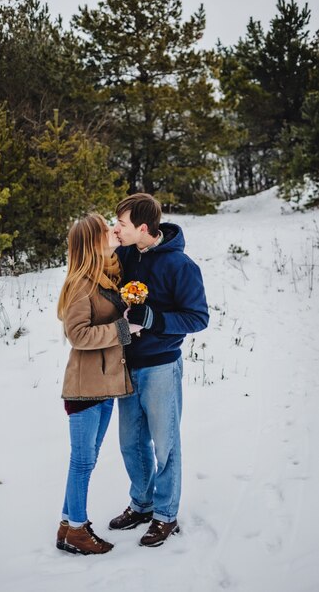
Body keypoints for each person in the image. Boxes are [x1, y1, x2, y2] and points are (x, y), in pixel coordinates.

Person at [109, 193, 209, 547]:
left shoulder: (180, 266)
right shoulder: (122, 256)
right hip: (126, 365)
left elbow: (199, 317)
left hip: (161, 367)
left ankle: (165, 515)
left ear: (143, 228)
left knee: (165, 444)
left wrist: (153, 319)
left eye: (120, 224)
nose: (115, 229)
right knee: (130, 443)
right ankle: (142, 504)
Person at [56, 213, 141, 556]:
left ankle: (67, 524)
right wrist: (123, 330)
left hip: (103, 384)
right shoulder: (81, 284)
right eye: (107, 229)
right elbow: (77, 335)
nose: (113, 230)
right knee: (82, 461)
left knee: (85, 460)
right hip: (85, 387)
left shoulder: (105, 276)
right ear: (93, 241)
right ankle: (77, 530)